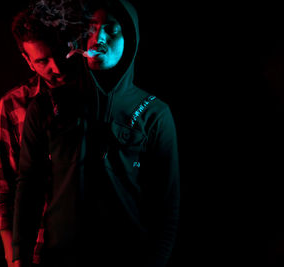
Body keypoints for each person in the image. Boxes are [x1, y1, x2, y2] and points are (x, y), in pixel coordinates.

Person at [14, 0, 180, 266]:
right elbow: (29, 186)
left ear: (131, 39)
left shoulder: (154, 114)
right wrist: (19, 257)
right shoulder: (46, 107)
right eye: (91, 29)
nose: (99, 38)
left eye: (112, 30)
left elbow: (167, 205)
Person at [0, 6, 81, 267]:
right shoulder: (13, 106)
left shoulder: (93, 97)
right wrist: (15, 258)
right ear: (27, 60)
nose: (55, 66)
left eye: (58, 54)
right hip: (39, 251)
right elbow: (3, 190)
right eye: (42, 61)